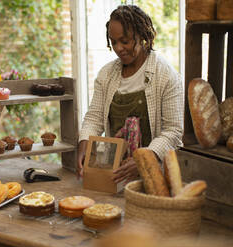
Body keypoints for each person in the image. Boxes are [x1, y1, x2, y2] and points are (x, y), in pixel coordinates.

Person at [76, 5, 184, 184]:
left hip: (155, 176)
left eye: (125, 41)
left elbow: (174, 131)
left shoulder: (165, 75)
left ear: (142, 35)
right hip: (115, 175)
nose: (118, 48)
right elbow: (94, 118)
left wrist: (145, 159)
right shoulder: (107, 74)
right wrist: (84, 144)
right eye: (113, 42)